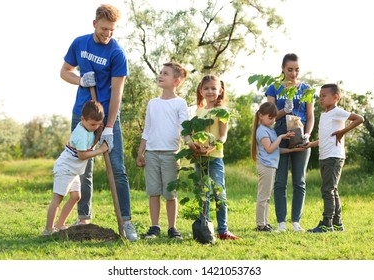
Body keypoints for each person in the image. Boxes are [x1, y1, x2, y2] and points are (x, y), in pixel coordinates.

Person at [60, 4, 138, 241]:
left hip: (107, 117)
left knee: (118, 169)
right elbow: (64, 72)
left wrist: (109, 127)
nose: (107, 34)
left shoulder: (117, 53)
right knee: (82, 168)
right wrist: (81, 79)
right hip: (82, 115)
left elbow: (117, 94)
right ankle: (84, 218)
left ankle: (126, 221)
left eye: (112, 30)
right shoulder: (79, 43)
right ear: (94, 24)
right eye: (104, 29)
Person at [136, 62, 191, 239]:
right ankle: (154, 227)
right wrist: (141, 151)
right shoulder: (152, 103)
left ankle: (172, 228)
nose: (160, 75)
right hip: (152, 153)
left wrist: (191, 144)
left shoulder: (180, 103)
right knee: (153, 192)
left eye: (165, 73)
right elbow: (147, 128)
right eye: (160, 72)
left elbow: (185, 128)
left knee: (170, 194)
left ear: (176, 81)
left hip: (171, 154)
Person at [265, 53, 314, 232]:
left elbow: (310, 116)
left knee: (299, 181)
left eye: (297, 70)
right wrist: (284, 111)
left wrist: (307, 134)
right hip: (280, 135)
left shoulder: (306, 89)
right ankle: (281, 223)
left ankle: (295, 222)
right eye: (290, 69)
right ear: (283, 69)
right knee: (280, 181)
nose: (294, 73)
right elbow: (269, 118)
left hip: (300, 135)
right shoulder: (274, 88)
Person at [305, 84, 364, 233]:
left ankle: (327, 223)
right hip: (325, 157)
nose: (321, 99)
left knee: (327, 190)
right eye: (320, 96)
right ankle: (337, 223)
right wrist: (312, 144)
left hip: (334, 157)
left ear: (335, 97)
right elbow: (327, 137)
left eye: (324, 96)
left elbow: (359, 118)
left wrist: (343, 131)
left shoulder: (337, 112)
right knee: (332, 190)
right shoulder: (325, 115)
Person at [43, 101, 108, 236]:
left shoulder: (87, 129)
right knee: (58, 198)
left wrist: (98, 134)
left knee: (76, 196)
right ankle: (48, 230)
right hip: (65, 168)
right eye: (92, 124)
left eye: (98, 124)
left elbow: (89, 146)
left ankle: (60, 225)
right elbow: (83, 155)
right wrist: (101, 150)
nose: (95, 127)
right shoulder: (80, 133)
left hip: (73, 171)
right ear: (82, 119)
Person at [192, 75, 240, 240]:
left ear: (220, 90)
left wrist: (213, 146)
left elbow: (223, 136)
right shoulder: (198, 111)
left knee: (219, 193)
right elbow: (193, 134)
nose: (210, 91)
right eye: (206, 88)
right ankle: (205, 226)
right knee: (203, 193)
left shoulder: (222, 111)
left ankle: (223, 230)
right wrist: (195, 146)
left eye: (214, 88)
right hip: (200, 158)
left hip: (215, 158)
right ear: (201, 90)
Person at [251, 102, 306, 232]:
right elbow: (270, 149)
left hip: (271, 166)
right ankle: (260, 224)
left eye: (274, 118)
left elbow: (276, 150)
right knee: (263, 197)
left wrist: (293, 151)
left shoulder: (269, 129)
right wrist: (281, 137)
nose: (272, 121)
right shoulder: (262, 131)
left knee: (267, 197)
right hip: (266, 166)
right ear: (261, 116)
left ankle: (265, 223)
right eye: (270, 118)